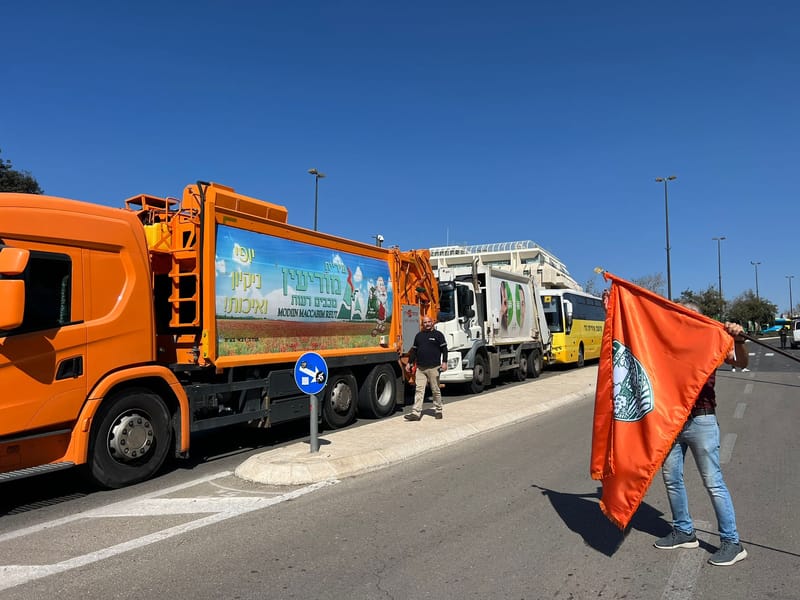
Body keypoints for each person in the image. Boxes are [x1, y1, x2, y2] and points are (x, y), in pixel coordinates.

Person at [655, 302, 748, 566]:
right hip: (671, 422)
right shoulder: (668, 342)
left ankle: (732, 542)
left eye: (690, 316)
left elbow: (740, 362)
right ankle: (684, 531)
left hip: (701, 419)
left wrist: (739, 339)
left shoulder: (712, 338)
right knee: (671, 479)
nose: (684, 320)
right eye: (680, 316)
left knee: (713, 482)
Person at [404, 316, 448, 421]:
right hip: (421, 368)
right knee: (419, 390)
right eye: (425, 322)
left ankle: (438, 410)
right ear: (422, 324)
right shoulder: (419, 336)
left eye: (429, 322)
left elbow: (444, 349)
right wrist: (409, 363)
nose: (427, 324)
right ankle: (416, 413)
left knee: (435, 390)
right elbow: (414, 351)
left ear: (432, 322)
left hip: (434, 367)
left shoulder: (438, 335)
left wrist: (444, 362)